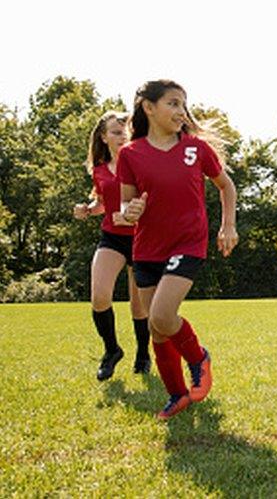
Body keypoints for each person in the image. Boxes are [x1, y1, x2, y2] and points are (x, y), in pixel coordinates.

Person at [118, 79, 238, 419]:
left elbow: (226, 186)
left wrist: (227, 225)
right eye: (172, 103)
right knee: (158, 329)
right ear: (149, 107)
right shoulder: (130, 154)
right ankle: (176, 395)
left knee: (160, 316)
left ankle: (199, 358)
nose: (180, 111)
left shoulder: (196, 148)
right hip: (146, 249)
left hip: (188, 242)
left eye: (183, 104)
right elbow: (125, 206)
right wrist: (130, 212)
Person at [72, 111, 150, 380]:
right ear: (104, 137)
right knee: (99, 296)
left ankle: (143, 353)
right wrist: (88, 209)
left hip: (142, 239)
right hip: (112, 239)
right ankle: (112, 350)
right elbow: (104, 203)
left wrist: (131, 216)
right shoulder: (99, 170)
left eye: (126, 131)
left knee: (138, 306)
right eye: (116, 132)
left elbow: (155, 201)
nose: (123, 136)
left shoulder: (141, 164)